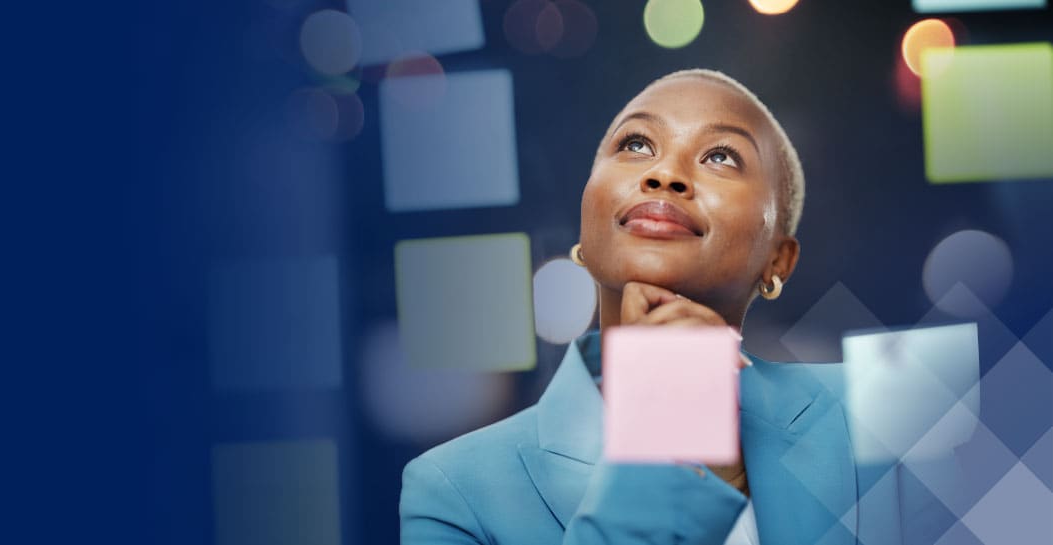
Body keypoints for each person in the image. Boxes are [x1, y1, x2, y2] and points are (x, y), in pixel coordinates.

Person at [399, 69, 950, 545]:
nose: (664, 174)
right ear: (586, 234)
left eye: (721, 156)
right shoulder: (453, 490)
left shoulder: (897, 410)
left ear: (778, 260)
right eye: (636, 145)